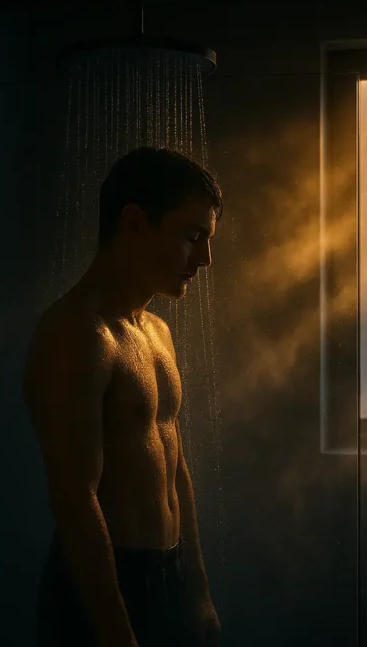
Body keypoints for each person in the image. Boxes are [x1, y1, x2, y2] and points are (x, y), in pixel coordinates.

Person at [24, 146, 224, 647]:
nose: (204, 259)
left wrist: (196, 590)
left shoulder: (155, 331)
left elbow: (175, 466)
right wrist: (117, 636)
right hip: (103, 589)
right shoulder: (77, 334)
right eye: (192, 237)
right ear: (133, 222)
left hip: (166, 574)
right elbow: (74, 499)